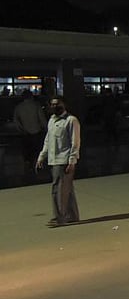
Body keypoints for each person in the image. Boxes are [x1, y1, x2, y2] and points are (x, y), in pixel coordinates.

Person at [36, 96, 81, 226]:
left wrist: (72, 161)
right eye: (52, 104)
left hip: (64, 160)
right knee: (67, 189)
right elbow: (47, 140)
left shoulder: (71, 120)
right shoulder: (51, 120)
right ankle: (72, 215)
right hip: (53, 159)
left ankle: (59, 217)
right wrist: (41, 156)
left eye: (57, 104)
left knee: (58, 189)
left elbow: (75, 142)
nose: (54, 107)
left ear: (64, 105)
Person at [13, 90, 47, 177]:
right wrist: (46, 129)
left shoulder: (18, 107)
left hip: (25, 134)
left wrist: (21, 129)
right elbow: (42, 119)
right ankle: (37, 168)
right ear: (31, 96)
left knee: (27, 152)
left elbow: (16, 122)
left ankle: (27, 168)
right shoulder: (36, 105)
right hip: (37, 132)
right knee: (36, 151)